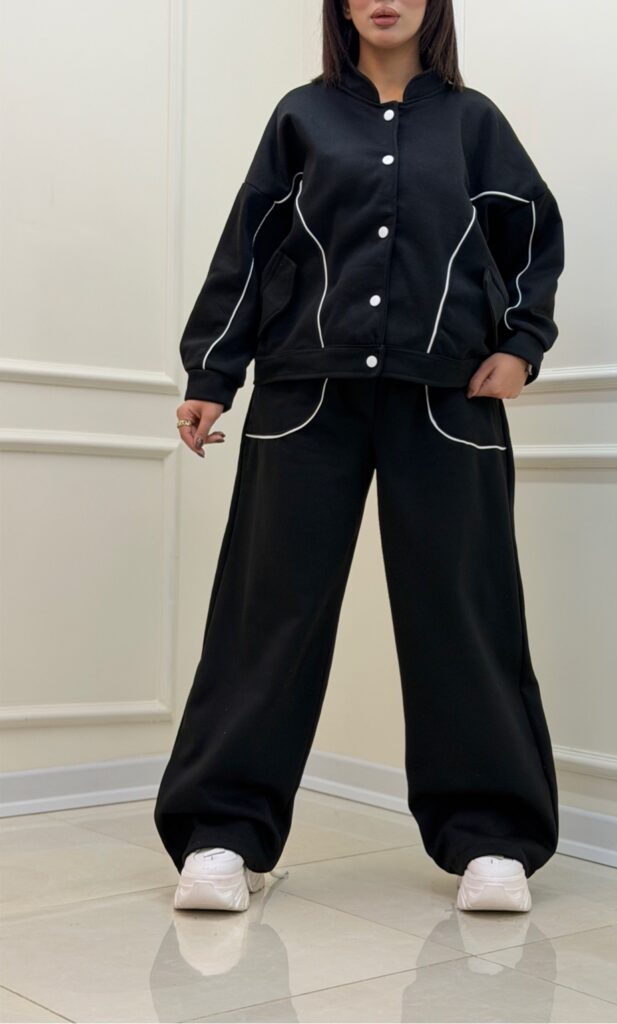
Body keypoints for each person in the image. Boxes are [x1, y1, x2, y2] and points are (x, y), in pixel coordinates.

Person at [154, 0, 565, 914]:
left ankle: (491, 838)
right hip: (306, 395)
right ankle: (223, 834)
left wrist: (523, 344)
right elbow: (249, 246)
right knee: (269, 611)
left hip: (447, 398)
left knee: (464, 611)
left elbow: (534, 237)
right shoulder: (301, 116)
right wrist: (212, 371)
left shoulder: (474, 124)